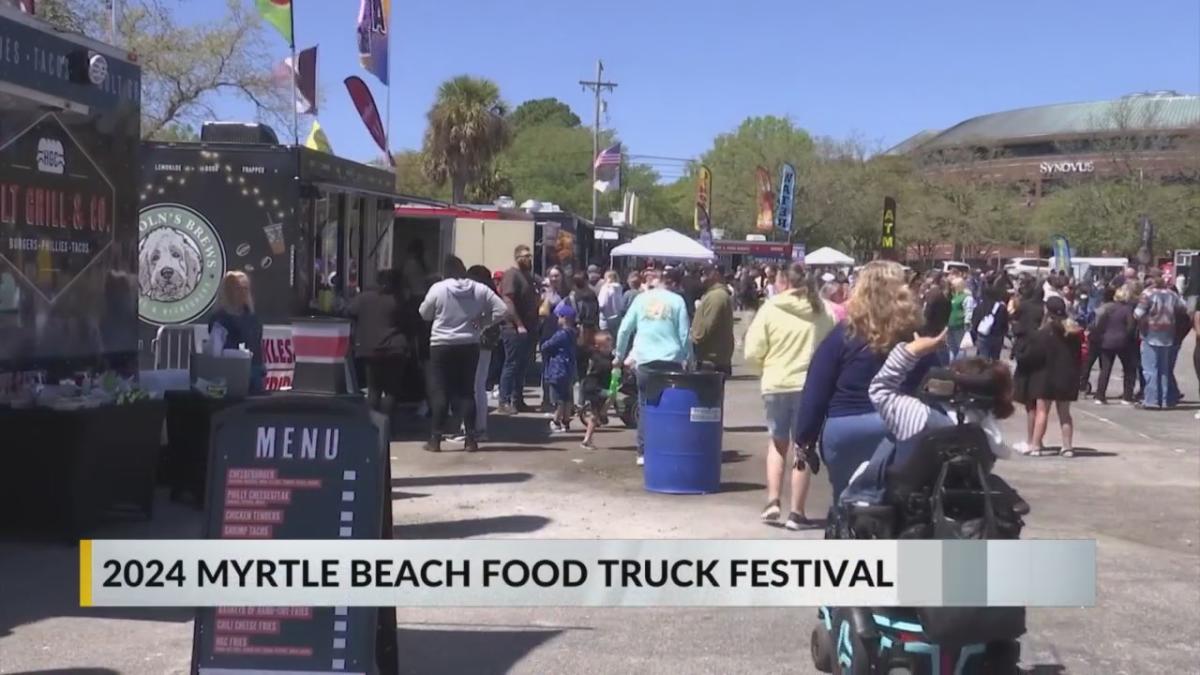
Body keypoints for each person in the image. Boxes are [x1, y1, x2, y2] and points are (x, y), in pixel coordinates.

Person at [793, 261, 931, 502]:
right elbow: (935, 381)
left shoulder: (843, 334)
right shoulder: (916, 335)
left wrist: (805, 439)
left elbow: (816, 390)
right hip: (901, 425)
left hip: (846, 429)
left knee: (846, 501)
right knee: (898, 503)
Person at [743, 263, 835, 530]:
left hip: (776, 382)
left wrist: (765, 369)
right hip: (810, 386)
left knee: (777, 443)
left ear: (783, 281)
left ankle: (773, 501)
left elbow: (752, 351)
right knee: (803, 448)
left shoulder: (771, 308)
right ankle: (797, 512)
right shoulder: (824, 311)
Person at [419, 255, 508, 453]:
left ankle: (435, 439)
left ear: (446, 271)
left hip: (441, 343)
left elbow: (424, 313)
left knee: (440, 390)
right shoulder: (479, 288)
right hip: (469, 343)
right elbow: (502, 309)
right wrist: (481, 322)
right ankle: (471, 439)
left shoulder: (439, 288)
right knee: (467, 391)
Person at [614, 267, 693, 466]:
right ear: (671, 283)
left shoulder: (641, 299)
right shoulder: (677, 301)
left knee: (645, 406)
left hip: (645, 360)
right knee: (670, 406)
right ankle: (668, 446)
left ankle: (643, 451)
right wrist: (689, 359)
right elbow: (684, 334)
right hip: (671, 360)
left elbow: (624, 329)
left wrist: (619, 355)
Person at [1014, 296, 1083, 456]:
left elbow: (1033, 356)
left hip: (1045, 376)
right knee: (1065, 414)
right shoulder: (1073, 332)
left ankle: (1036, 445)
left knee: (1042, 411)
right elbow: (1078, 355)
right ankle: (1067, 447)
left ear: (1048, 311)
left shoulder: (1043, 333)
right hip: (1066, 376)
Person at [346, 270, 409, 417]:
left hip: (370, 349)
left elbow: (349, 311)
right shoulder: (398, 301)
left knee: (373, 391)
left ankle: (374, 424)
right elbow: (408, 322)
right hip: (395, 348)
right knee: (391, 391)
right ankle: (388, 425)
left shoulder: (363, 298)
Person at [1134, 270, 1187, 409]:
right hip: (1169, 334)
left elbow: (1137, 314)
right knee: (1164, 369)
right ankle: (1164, 400)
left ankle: (1151, 400)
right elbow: (1183, 307)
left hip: (1151, 334)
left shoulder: (1147, 294)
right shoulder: (1172, 294)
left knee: (1150, 369)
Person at [207, 271, 266, 394]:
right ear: (227, 292)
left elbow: (257, 346)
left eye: (245, 288)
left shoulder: (252, 318)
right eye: (237, 288)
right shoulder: (220, 320)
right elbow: (215, 353)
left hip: (254, 375)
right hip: (228, 376)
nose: (242, 293)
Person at [498, 245, 540, 415]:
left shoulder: (528, 276)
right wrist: (519, 323)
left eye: (529, 256)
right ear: (517, 258)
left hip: (529, 328)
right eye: (525, 256)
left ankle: (518, 399)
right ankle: (504, 401)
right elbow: (508, 301)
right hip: (513, 328)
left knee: (522, 365)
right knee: (512, 364)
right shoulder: (512, 274)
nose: (528, 259)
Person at [1091, 285, 1137, 405]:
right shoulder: (1127, 310)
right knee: (1129, 369)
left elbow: (1100, 325)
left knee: (1105, 369)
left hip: (1106, 341)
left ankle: (1100, 396)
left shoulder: (1108, 308)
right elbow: (1131, 326)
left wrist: (1101, 337)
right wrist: (1127, 337)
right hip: (1123, 342)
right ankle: (1127, 396)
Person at [690, 263, 735, 376]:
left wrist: (693, 336)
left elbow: (704, 330)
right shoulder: (713, 295)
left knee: (708, 392)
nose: (703, 276)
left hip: (712, 359)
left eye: (706, 272)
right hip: (713, 357)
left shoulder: (716, 296)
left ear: (716, 274)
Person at [541, 303, 578, 433]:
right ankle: (566, 421)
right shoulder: (573, 333)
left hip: (557, 368)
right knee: (567, 397)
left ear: (564, 318)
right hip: (568, 369)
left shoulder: (560, 334)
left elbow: (546, 346)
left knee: (558, 399)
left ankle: (556, 421)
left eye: (559, 317)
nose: (558, 319)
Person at [579, 331, 615, 449]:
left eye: (610, 346)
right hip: (594, 388)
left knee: (611, 395)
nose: (609, 349)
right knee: (595, 415)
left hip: (597, 387)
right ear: (598, 347)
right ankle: (587, 440)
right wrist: (616, 365)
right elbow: (606, 366)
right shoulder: (598, 358)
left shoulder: (605, 356)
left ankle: (601, 414)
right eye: (606, 347)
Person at [970, 284, 1009, 361]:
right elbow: (1005, 322)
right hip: (997, 336)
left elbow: (974, 322)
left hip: (983, 336)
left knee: (983, 358)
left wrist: (975, 336)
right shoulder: (1001, 307)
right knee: (995, 359)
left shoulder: (979, 307)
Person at [946, 276, 971, 361]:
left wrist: (967, 323)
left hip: (960, 325)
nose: (951, 287)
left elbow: (969, 311)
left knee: (961, 347)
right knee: (951, 348)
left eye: (953, 285)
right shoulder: (952, 296)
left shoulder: (966, 297)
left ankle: (960, 366)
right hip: (949, 325)